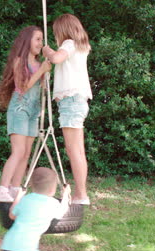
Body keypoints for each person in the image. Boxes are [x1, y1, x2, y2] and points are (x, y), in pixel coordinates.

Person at [0, 26, 52, 202]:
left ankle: (15, 188)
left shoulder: (39, 64)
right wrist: (41, 71)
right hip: (19, 110)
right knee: (18, 151)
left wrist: (45, 75)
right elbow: (23, 86)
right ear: (27, 41)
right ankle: (2, 189)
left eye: (42, 39)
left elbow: (39, 88)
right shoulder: (19, 61)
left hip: (33, 112)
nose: (40, 43)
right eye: (37, 39)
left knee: (26, 153)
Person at [42, 14, 92, 205]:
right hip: (77, 101)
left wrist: (47, 51)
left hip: (71, 101)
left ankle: (81, 195)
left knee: (74, 151)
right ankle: (81, 193)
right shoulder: (80, 47)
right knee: (77, 150)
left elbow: (56, 58)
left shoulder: (69, 44)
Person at [1, 167, 71, 251]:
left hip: (8, 245)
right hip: (26, 249)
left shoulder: (26, 199)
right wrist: (66, 194)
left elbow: (12, 215)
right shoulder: (52, 203)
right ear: (53, 189)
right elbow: (63, 210)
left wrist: (18, 197)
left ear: (32, 185)